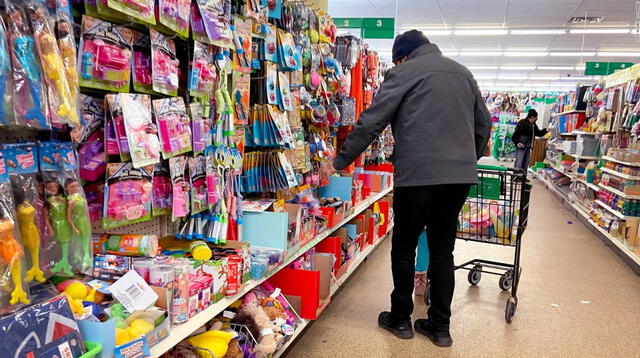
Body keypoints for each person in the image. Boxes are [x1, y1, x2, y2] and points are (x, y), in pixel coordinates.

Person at [332, 30, 492, 347]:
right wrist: (464, 161)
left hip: (418, 176)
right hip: (458, 179)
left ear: (403, 57)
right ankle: (440, 327)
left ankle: (401, 319)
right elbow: (484, 125)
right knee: (442, 250)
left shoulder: (403, 72)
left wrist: (340, 161)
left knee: (405, 246)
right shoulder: (463, 73)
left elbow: (372, 120)